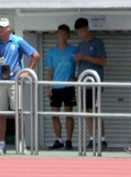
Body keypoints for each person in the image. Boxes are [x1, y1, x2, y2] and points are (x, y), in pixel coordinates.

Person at [0, 17, 38, 155]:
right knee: (1, 115)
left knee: (19, 114)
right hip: (0, 82)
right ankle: (1, 144)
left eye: (4, 27)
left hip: (15, 82)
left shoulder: (17, 41)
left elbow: (35, 55)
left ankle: (21, 144)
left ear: (9, 28)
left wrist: (26, 72)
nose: (1, 29)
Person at [73, 18, 106, 151]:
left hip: (94, 83)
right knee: (86, 112)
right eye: (78, 32)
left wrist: (85, 57)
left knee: (95, 111)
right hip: (83, 83)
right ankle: (92, 138)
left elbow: (103, 61)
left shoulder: (97, 43)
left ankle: (102, 139)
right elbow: (81, 63)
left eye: (82, 31)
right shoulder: (80, 45)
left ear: (87, 28)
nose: (81, 34)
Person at [45, 23, 77, 151]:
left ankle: (69, 141)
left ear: (68, 35)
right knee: (55, 115)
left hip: (69, 87)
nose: (62, 36)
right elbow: (50, 71)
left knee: (69, 114)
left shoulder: (74, 50)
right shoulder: (52, 52)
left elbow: (82, 65)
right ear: (57, 35)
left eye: (65, 34)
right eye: (60, 34)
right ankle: (58, 140)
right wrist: (48, 87)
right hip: (56, 88)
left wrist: (77, 78)